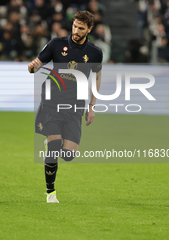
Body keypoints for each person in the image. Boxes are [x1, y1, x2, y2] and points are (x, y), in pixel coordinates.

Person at [28, 11, 103, 203]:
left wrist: (92, 106)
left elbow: (97, 78)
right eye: (75, 26)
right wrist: (33, 66)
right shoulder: (56, 44)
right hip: (51, 102)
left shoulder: (95, 53)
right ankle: (50, 193)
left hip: (75, 106)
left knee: (68, 155)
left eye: (81, 28)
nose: (76, 31)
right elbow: (38, 63)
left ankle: (53, 146)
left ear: (89, 29)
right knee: (54, 147)